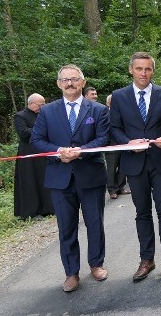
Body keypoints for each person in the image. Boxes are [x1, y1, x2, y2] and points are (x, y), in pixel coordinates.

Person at [30, 64, 109, 292]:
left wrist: (81, 151)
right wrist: (58, 152)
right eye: (65, 80)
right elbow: (37, 140)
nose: (70, 83)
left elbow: (104, 138)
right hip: (60, 177)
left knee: (95, 224)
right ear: (58, 84)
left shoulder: (97, 110)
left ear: (82, 83)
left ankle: (96, 264)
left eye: (74, 79)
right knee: (66, 227)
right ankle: (71, 272)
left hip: (90, 175)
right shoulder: (47, 111)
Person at [110, 52, 161, 283]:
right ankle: (146, 260)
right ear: (131, 69)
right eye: (139, 69)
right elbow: (115, 129)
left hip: (160, 160)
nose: (143, 73)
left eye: (148, 69)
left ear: (153, 71)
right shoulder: (119, 97)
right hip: (134, 162)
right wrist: (128, 143)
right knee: (142, 213)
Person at [13, 93, 54, 219]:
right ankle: (32, 211)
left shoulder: (43, 115)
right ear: (31, 104)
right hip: (28, 154)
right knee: (30, 181)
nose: (42, 107)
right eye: (40, 105)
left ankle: (48, 207)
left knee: (45, 179)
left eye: (43, 104)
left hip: (43, 150)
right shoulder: (20, 116)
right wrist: (40, 129)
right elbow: (24, 133)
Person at [104, 94, 129, 199]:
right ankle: (112, 190)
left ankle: (120, 187)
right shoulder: (104, 114)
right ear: (108, 103)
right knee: (111, 168)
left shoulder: (122, 113)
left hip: (123, 144)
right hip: (111, 145)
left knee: (123, 166)